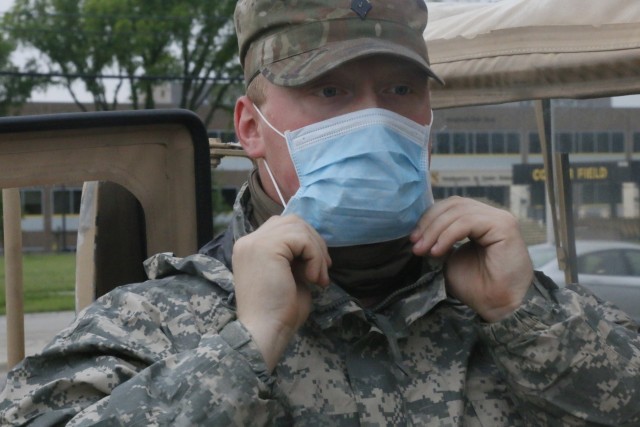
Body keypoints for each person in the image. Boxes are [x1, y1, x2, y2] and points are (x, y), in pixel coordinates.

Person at [2, 0, 640, 425]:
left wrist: (525, 318)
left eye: (399, 89)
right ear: (251, 129)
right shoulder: (149, 322)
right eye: (329, 91)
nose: (373, 119)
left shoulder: (521, 307)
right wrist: (243, 350)